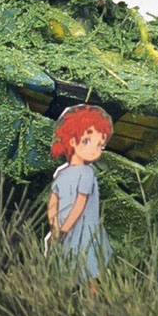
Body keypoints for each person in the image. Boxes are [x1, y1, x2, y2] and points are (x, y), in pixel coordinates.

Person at [46, 104, 114, 283]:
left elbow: (79, 205)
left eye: (100, 145)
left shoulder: (87, 173)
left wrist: (63, 230)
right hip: (64, 229)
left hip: (83, 231)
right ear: (71, 141)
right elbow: (53, 202)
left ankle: (94, 295)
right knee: (66, 266)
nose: (94, 150)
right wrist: (54, 227)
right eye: (87, 141)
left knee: (89, 268)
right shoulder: (62, 174)